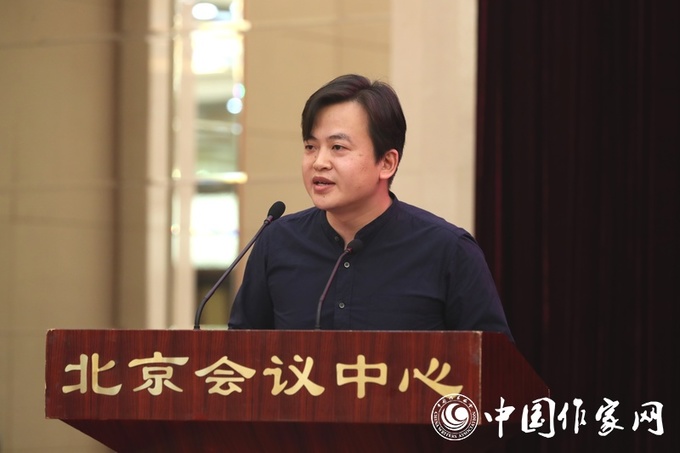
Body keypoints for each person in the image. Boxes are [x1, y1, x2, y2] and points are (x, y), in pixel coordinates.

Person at [228, 74, 513, 340]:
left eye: (337, 147)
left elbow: (494, 364)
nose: (319, 162)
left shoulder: (448, 251)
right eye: (310, 147)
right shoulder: (277, 242)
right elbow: (240, 354)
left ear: (386, 163)